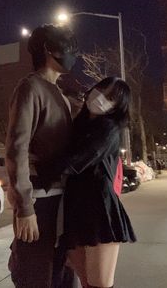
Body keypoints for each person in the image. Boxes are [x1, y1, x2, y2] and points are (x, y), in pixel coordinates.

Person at [5, 24, 78, 288]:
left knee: (64, 276)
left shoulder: (61, 94)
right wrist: (25, 207)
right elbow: (17, 147)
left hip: (64, 203)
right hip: (39, 202)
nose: (73, 53)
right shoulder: (30, 87)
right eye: (68, 46)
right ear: (48, 49)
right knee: (37, 276)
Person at [60, 77, 137, 288]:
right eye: (101, 90)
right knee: (86, 282)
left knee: (99, 283)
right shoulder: (81, 124)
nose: (101, 98)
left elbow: (78, 160)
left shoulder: (108, 128)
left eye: (111, 98)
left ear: (117, 106)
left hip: (100, 209)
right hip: (76, 208)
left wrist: (39, 168)